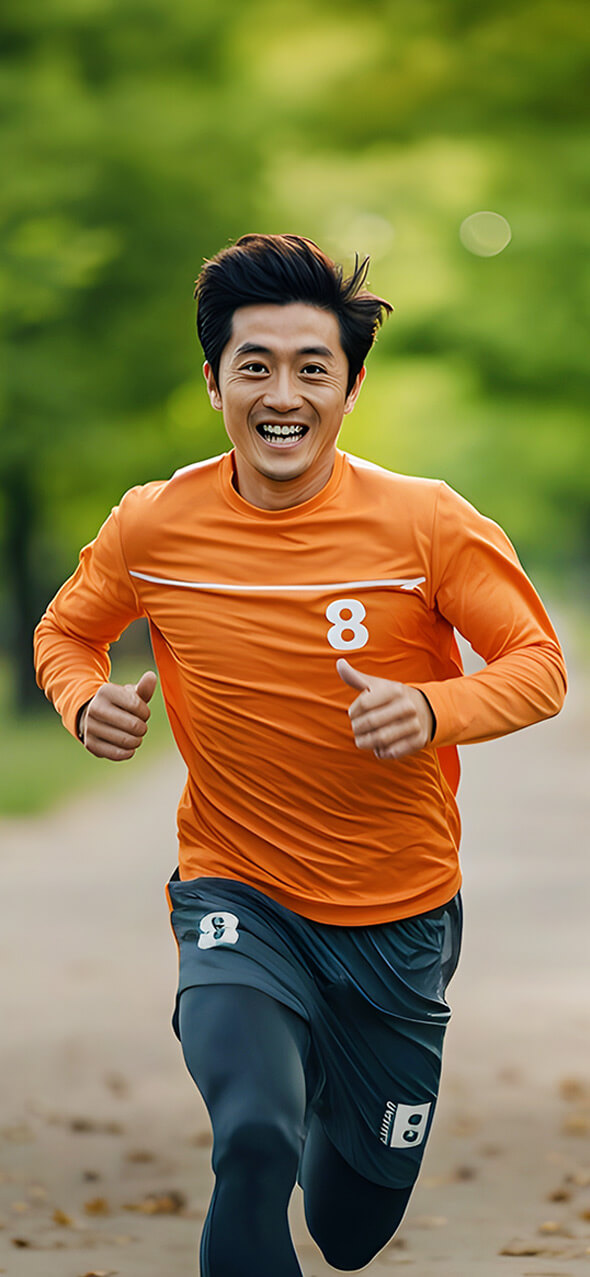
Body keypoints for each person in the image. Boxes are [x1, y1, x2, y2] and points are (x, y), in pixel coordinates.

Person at [34, 233, 567, 1276]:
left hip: (398, 915)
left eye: (310, 367)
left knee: (347, 1230)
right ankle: (276, 1057)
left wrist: (432, 704)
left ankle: (338, 1072)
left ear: (350, 386)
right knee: (253, 1140)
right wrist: (82, 696)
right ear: (214, 381)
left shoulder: (424, 521)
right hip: (239, 896)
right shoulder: (154, 523)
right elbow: (65, 631)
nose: (283, 392)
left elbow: (538, 664)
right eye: (256, 365)